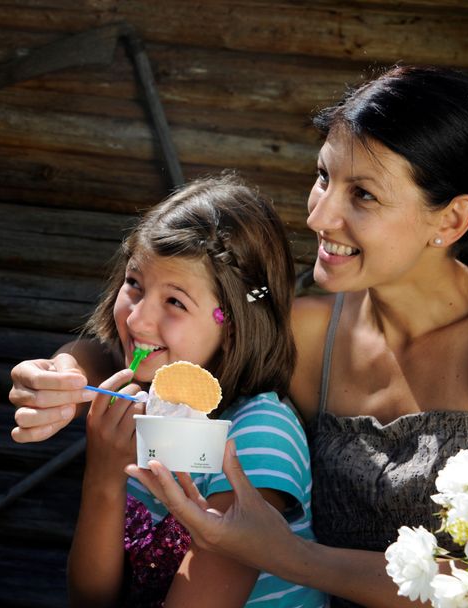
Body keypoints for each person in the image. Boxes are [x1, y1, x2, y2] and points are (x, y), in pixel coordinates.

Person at [10, 65, 468, 607]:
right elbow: (151, 348)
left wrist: (289, 556)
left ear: (450, 221)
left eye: (364, 195)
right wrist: (65, 374)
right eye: (325, 176)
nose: (320, 216)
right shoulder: (309, 331)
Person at [65, 175, 326, 607]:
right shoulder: (140, 400)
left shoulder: (258, 436)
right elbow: (88, 599)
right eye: (134, 283)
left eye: (175, 302)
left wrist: (108, 469)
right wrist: (104, 473)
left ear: (235, 324)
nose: (136, 321)